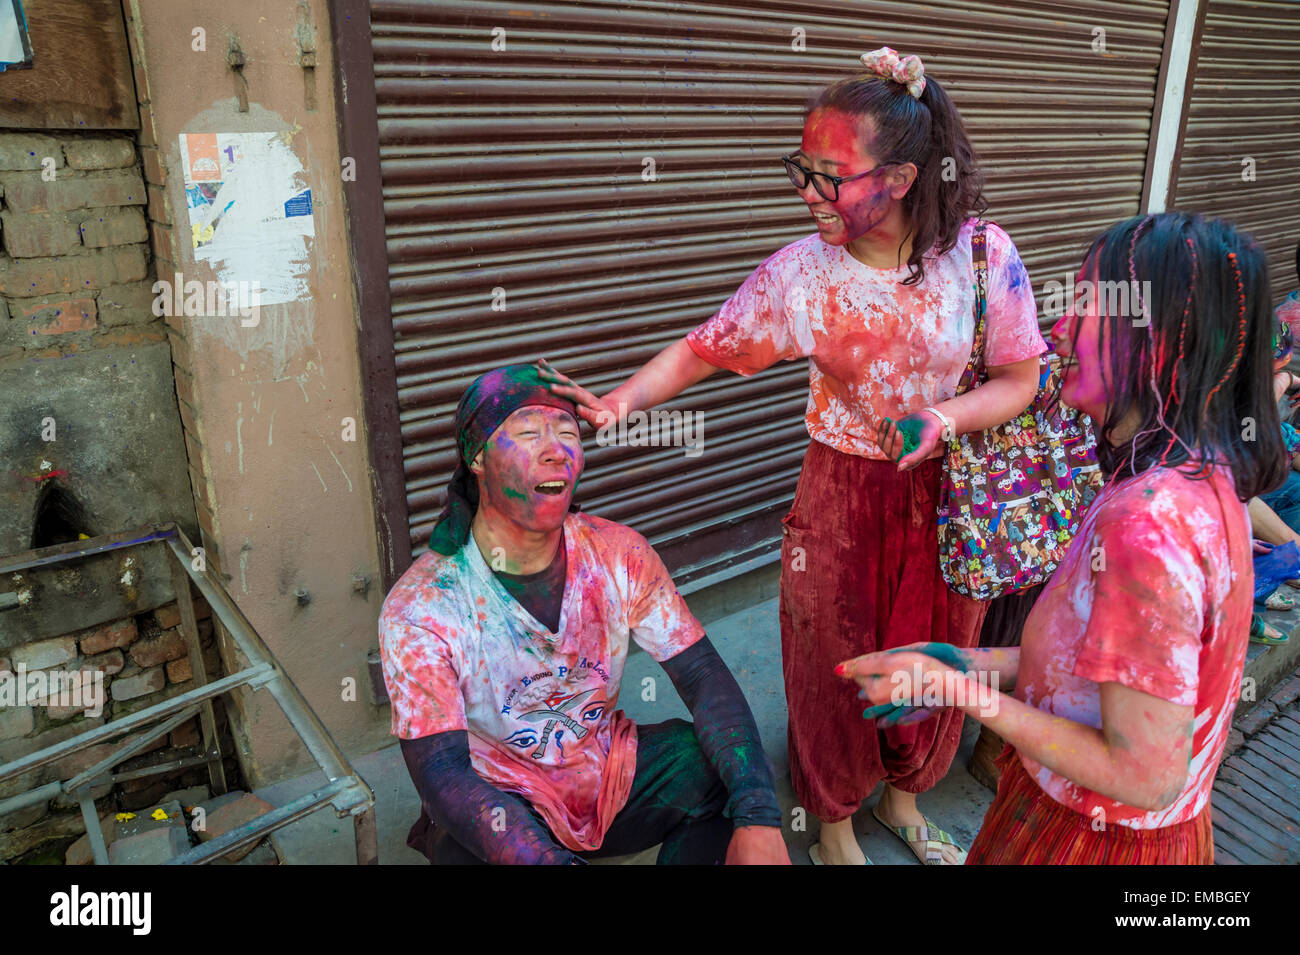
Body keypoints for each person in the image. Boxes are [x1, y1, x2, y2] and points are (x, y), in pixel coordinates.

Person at [540, 47, 1047, 864]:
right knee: (831, 659)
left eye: (829, 175)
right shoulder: (800, 275)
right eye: (800, 169)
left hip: (948, 495)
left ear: (902, 179)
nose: (807, 193)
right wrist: (624, 400)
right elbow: (703, 348)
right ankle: (835, 821)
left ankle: (907, 799)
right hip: (839, 495)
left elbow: (1023, 377)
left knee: (930, 650)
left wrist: (942, 419)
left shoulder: (984, 256)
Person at [839, 212, 1285, 864]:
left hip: (1092, 840)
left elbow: (1145, 774)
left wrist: (969, 693)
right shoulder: (1181, 475)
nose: (1062, 329)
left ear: (1159, 343)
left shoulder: (1151, 526)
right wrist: (956, 666)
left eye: (1088, 308)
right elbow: (1093, 678)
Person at [378, 364, 790, 865]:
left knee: (719, 766)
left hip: (604, 778)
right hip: (504, 802)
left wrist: (759, 816)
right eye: (528, 433)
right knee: (459, 847)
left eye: (568, 432)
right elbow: (442, 772)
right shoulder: (424, 604)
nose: (556, 450)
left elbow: (702, 676)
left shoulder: (619, 554)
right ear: (477, 456)